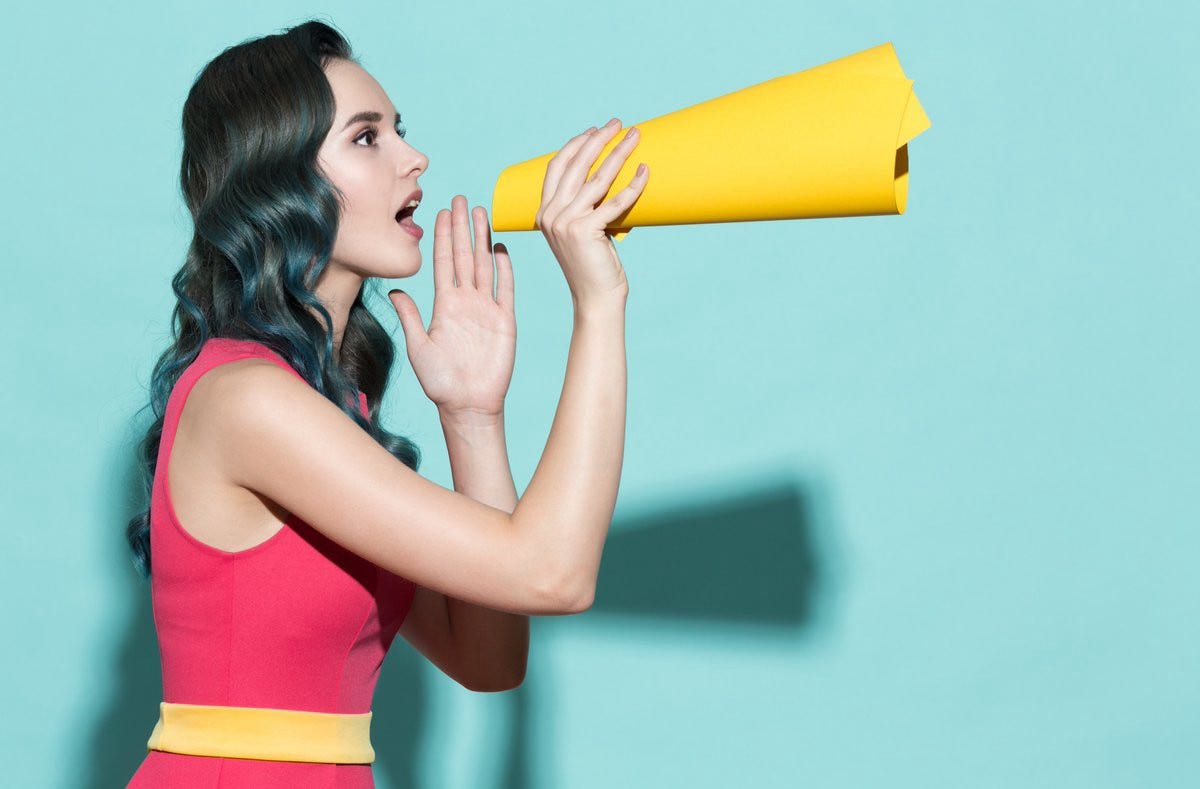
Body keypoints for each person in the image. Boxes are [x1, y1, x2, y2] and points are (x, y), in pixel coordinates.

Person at [124, 17, 649, 787]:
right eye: (367, 138)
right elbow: (554, 574)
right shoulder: (246, 401)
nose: (414, 157)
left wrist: (473, 417)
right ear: (279, 179)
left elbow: (489, 659)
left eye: (400, 130)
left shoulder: (331, 411)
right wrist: (599, 307)